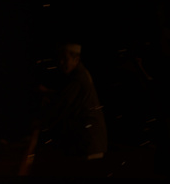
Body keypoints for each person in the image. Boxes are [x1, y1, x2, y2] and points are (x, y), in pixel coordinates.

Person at [22, 43, 108, 176]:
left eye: (65, 59)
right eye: (59, 59)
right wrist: (49, 93)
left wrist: (40, 123)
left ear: (76, 59)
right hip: (89, 141)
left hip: (87, 143)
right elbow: (67, 97)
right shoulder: (79, 74)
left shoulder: (77, 79)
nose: (61, 63)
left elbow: (62, 106)